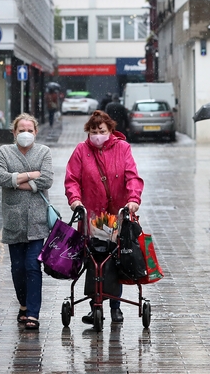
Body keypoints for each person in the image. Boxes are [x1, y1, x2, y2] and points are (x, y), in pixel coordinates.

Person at [65, 110, 144, 325]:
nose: (97, 135)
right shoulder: (82, 151)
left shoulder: (122, 148)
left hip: (116, 215)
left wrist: (133, 199)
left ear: (110, 131)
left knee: (116, 259)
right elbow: (72, 179)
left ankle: (115, 306)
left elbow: (132, 177)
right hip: (92, 216)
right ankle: (95, 305)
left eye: (101, 131)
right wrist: (75, 200)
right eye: (93, 131)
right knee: (94, 261)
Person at [0, 114, 54, 331]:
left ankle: (33, 313)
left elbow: (47, 179)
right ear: (14, 132)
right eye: (21, 130)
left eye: (30, 130)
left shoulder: (44, 152)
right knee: (17, 268)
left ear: (36, 132)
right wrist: (30, 175)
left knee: (32, 265)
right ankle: (23, 304)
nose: (25, 134)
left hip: (37, 221)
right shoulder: (4, 152)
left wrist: (15, 180)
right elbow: (0, 178)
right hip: (14, 219)